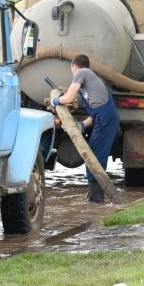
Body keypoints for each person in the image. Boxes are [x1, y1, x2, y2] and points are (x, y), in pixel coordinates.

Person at [51, 54, 120, 203]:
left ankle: (97, 199)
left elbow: (68, 98)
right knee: (93, 154)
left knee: (93, 156)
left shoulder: (82, 73)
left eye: (72, 70)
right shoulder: (92, 79)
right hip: (104, 118)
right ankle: (95, 198)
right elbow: (95, 113)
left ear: (74, 67)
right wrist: (82, 125)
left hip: (106, 119)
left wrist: (56, 100)